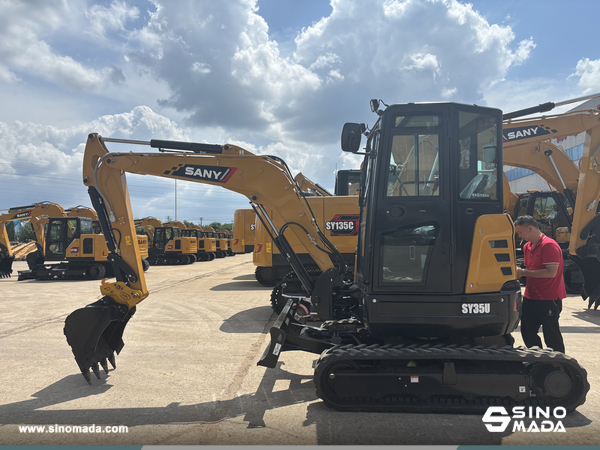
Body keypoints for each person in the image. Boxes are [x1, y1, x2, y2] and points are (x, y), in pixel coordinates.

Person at [515, 215, 566, 353]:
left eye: (520, 232)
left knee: (551, 333)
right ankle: (538, 359)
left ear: (530, 228)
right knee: (527, 330)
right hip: (531, 297)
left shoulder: (548, 245)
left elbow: (551, 272)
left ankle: (558, 363)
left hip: (549, 298)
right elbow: (530, 269)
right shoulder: (527, 247)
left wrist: (523, 272)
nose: (519, 236)